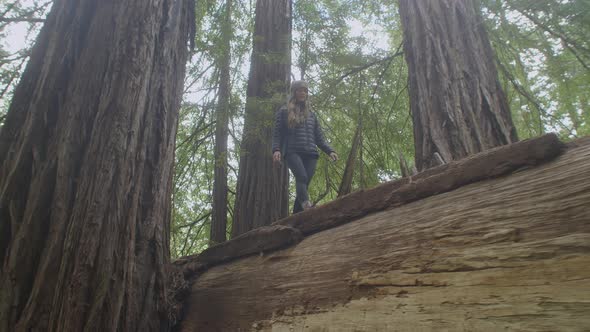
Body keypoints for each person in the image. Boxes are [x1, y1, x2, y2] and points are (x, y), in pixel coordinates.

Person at [272, 80, 338, 213]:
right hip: (292, 151)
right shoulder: (284, 111)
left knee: (305, 182)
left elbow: (319, 137)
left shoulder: (312, 115)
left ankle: (297, 213)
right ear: (294, 92)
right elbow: (277, 133)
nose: (302, 93)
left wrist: (330, 151)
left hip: (311, 153)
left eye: (305, 91)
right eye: (299, 90)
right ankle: (307, 206)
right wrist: (276, 150)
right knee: (301, 177)